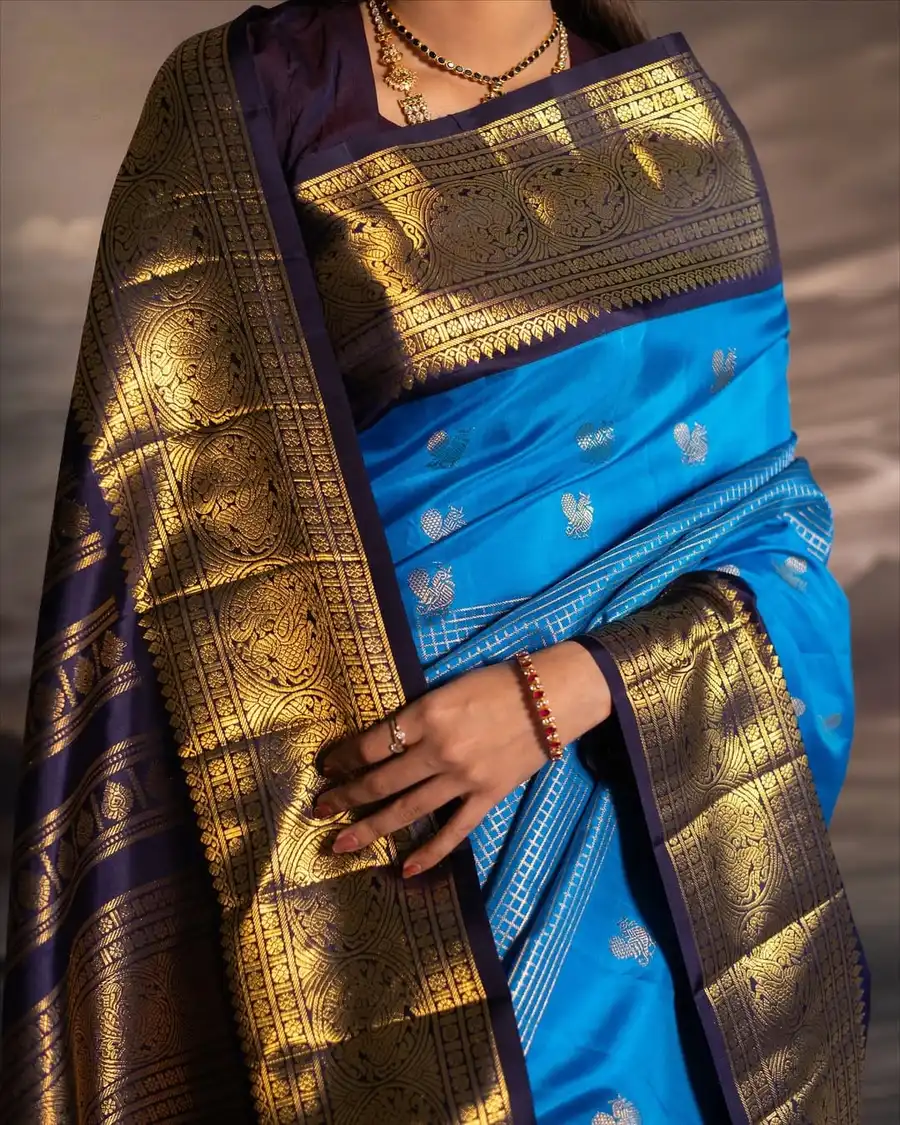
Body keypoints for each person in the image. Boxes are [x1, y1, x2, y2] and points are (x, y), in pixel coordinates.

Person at [0, 1, 868, 1121]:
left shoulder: (673, 123)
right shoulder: (251, 102)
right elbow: (166, 564)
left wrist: (575, 688)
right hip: (369, 860)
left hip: (642, 868)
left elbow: (773, 527)